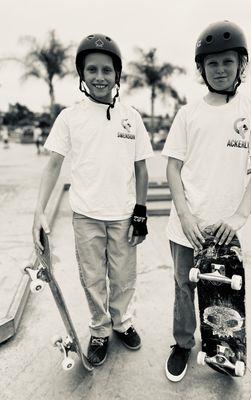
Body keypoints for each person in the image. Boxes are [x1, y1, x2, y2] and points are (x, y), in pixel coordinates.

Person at [162, 20, 251, 382]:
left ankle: (223, 348)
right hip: (187, 224)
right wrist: (184, 215)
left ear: (241, 64)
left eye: (228, 62)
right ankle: (183, 343)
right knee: (185, 286)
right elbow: (172, 167)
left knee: (224, 291)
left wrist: (241, 214)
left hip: (225, 228)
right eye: (212, 63)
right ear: (201, 69)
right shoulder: (188, 113)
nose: (220, 69)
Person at [32, 33, 153, 367]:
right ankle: (100, 330)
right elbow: (53, 164)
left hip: (124, 215)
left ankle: (122, 322)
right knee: (93, 278)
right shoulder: (70, 117)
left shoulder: (132, 116)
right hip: (86, 215)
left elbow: (142, 169)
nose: (100, 77)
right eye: (92, 70)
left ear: (117, 75)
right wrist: (39, 211)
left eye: (107, 70)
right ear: (82, 75)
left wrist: (141, 211)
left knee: (125, 277)